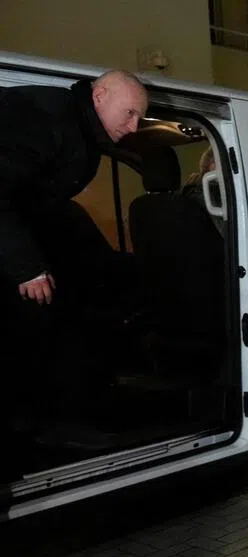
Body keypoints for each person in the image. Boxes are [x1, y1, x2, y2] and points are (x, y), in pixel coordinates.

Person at [0, 69, 148, 465]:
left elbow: (44, 207)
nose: (133, 127)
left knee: (83, 301)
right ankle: (40, 427)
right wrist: (27, 268)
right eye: (130, 112)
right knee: (50, 318)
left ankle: (48, 422)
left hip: (16, 239)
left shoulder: (78, 130)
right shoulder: (45, 118)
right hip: (9, 247)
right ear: (99, 96)